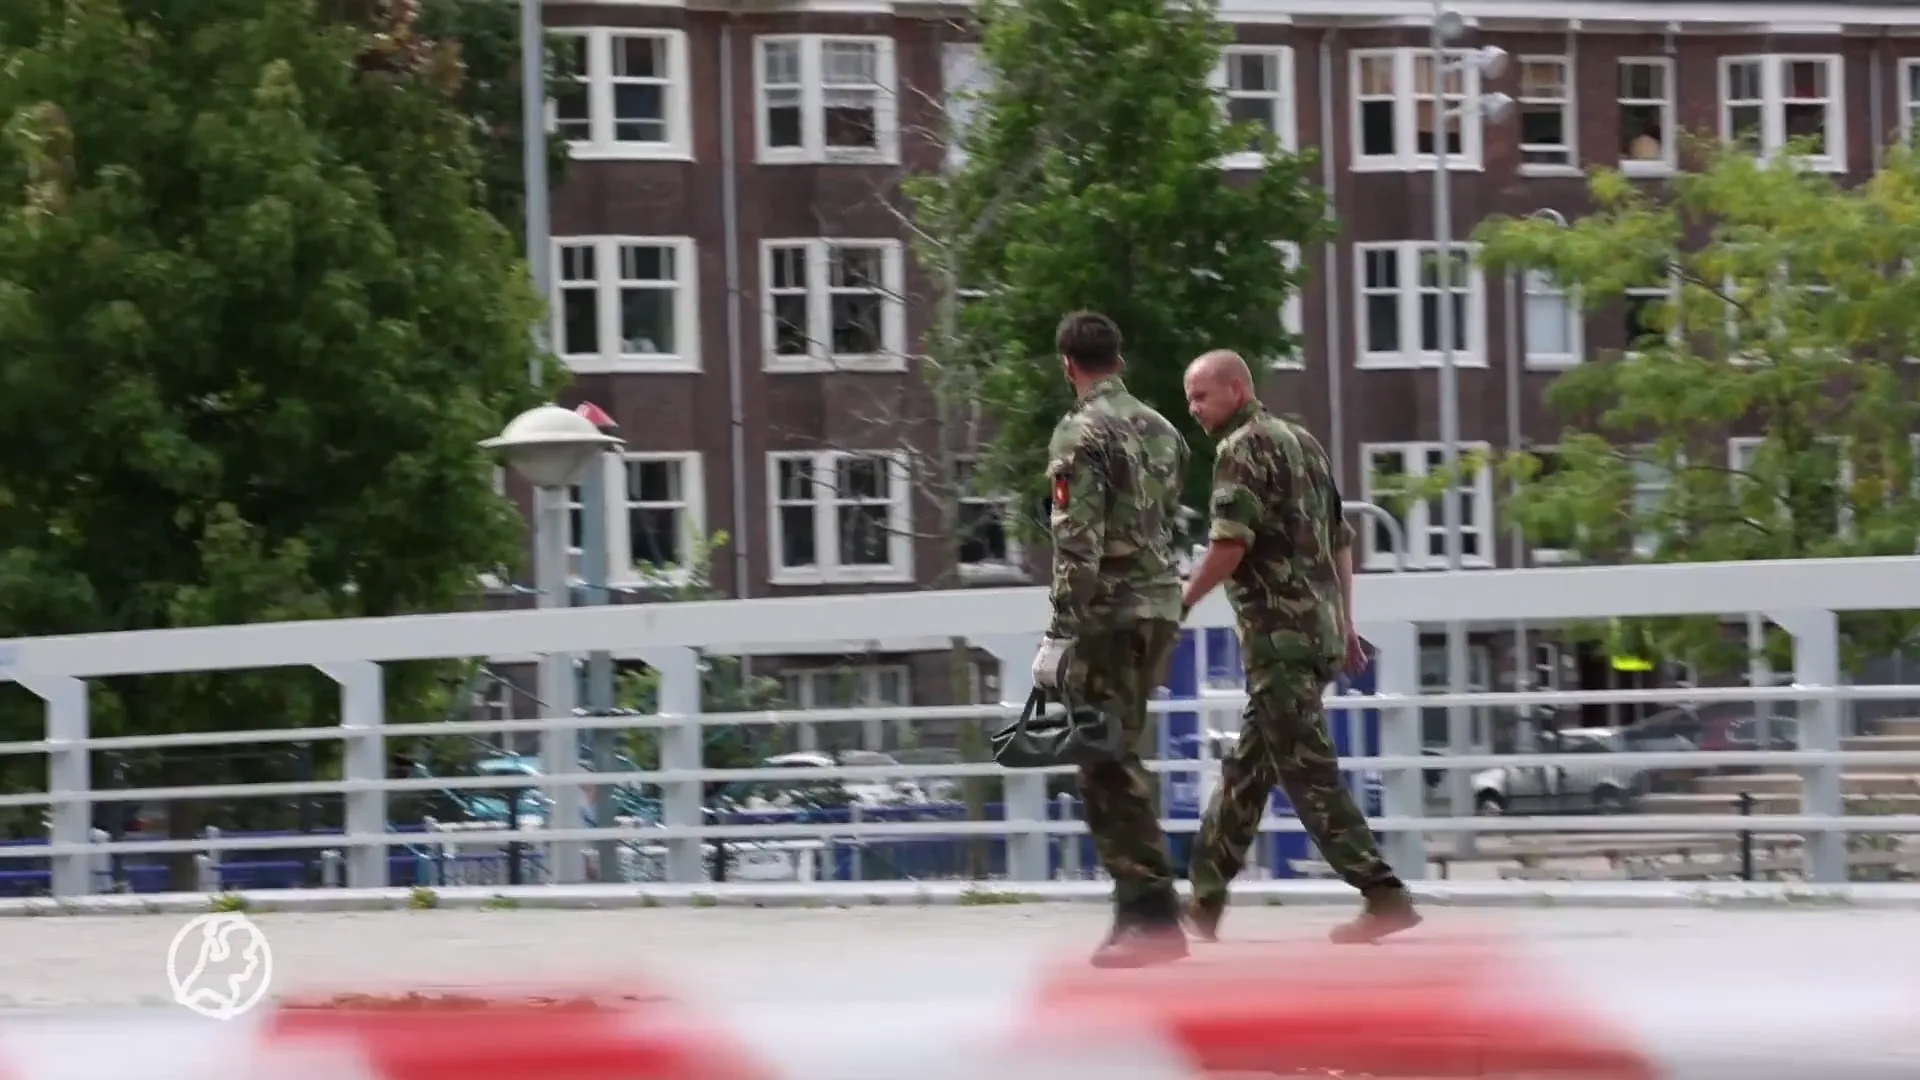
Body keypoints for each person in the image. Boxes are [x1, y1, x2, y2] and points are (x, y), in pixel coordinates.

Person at [1177, 349, 1421, 946]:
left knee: (1309, 775)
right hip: (1312, 635)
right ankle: (1201, 903)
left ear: (1235, 389)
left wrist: (1178, 602)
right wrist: (1342, 620)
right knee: (1247, 774)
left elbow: (1230, 545)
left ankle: (1384, 893)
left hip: (1278, 640)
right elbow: (1341, 539)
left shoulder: (1240, 451)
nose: (1192, 409)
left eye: (1201, 396)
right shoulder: (1302, 442)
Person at [1033, 311, 1191, 969]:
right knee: (1117, 751)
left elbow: (1078, 540)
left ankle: (1150, 915)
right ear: (1118, 359)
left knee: (1105, 760)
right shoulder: (1164, 430)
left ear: (1068, 364)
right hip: (1158, 609)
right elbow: (1168, 520)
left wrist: (1060, 631)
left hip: (1109, 616)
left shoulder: (1079, 432)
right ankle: (1143, 910)